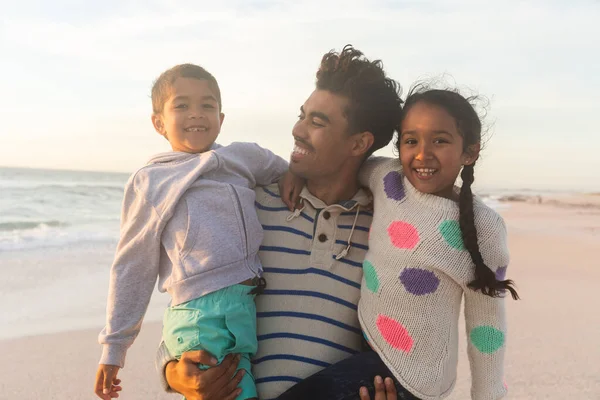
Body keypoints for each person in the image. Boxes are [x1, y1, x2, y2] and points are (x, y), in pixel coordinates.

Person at [157, 45, 405, 400]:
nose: (297, 130)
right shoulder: (248, 206)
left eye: (317, 122)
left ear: (359, 143)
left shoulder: (384, 232)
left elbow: (396, 347)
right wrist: (175, 373)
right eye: (302, 115)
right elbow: (190, 308)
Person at [278, 85, 520, 399]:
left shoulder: (483, 227)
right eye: (411, 140)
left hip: (409, 375)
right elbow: (340, 165)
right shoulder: (387, 178)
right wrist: (296, 171)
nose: (422, 153)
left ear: (469, 152)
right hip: (365, 345)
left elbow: (487, 326)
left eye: (440, 140)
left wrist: (488, 396)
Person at [93, 63, 289, 400]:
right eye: (181, 105)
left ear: (221, 118)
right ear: (159, 123)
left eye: (207, 105)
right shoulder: (152, 180)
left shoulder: (243, 157)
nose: (196, 114)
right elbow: (132, 265)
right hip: (201, 315)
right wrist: (114, 347)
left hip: (243, 308)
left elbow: (292, 172)